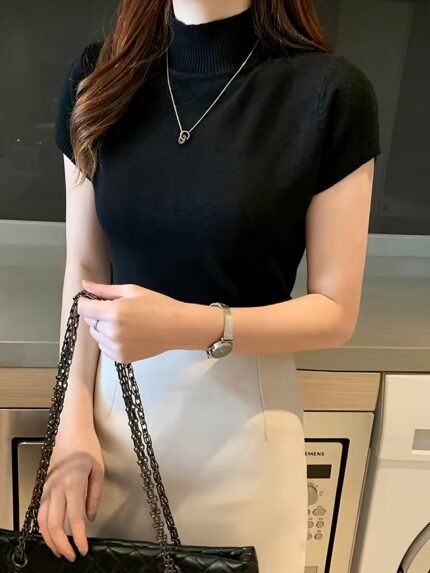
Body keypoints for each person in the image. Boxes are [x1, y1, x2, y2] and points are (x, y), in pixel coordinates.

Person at [38, 1, 381, 572]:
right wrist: (71, 428)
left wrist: (188, 325)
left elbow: (335, 312)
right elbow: (85, 268)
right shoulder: (99, 79)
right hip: (108, 431)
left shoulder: (328, 94)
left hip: (242, 439)